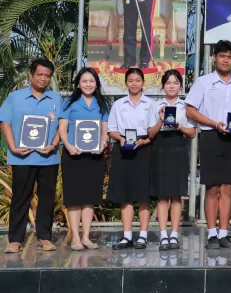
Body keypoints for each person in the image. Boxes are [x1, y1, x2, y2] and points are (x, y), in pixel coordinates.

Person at [185, 40, 231, 249]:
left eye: (230, 57)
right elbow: (190, 110)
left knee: (228, 188)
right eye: (222, 56)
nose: (226, 60)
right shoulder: (203, 82)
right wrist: (214, 123)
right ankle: (212, 234)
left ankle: (224, 233)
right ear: (214, 57)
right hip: (211, 136)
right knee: (212, 187)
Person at [0, 59, 62, 253]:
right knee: (20, 198)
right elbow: (5, 122)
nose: (43, 79)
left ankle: (44, 237)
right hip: (21, 157)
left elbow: (62, 125)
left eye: (47, 76)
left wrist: (54, 144)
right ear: (31, 75)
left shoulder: (56, 99)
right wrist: (13, 147)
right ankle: (15, 240)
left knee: (47, 199)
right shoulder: (15, 97)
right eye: (39, 74)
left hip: (49, 158)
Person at [57, 68, 110, 251]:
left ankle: (86, 237)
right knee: (74, 198)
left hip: (94, 157)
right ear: (78, 84)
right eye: (84, 81)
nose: (88, 84)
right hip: (73, 156)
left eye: (92, 81)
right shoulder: (69, 103)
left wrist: (103, 144)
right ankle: (75, 238)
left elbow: (105, 130)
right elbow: (62, 129)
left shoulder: (102, 104)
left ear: (96, 84)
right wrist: (68, 146)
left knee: (89, 198)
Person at [148, 70, 196, 251]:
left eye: (175, 83)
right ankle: (163, 235)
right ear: (163, 86)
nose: (171, 86)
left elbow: (192, 133)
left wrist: (178, 126)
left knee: (176, 195)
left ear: (180, 86)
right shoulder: (155, 106)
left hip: (179, 147)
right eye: (168, 83)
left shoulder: (185, 106)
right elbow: (150, 133)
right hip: (160, 147)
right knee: (162, 196)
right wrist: (161, 121)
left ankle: (174, 234)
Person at [107, 68, 155, 250]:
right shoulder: (118, 104)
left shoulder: (151, 104)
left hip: (144, 148)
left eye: (137, 80)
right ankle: (127, 236)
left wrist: (145, 141)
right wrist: (120, 139)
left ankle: (143, 235)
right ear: (126, 83)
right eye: (130, 80)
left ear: (143, 82)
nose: (134, 84)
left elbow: (154, 131)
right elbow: (111, 129)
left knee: (143, 193)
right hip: (123, 148)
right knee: (124, 193)